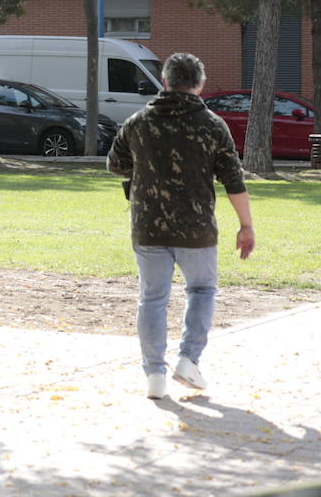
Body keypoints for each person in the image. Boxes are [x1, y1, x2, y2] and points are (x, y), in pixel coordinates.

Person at [107, 52, 255, 400]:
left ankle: (154, 375)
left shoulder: (137, 122)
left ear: (164, 80)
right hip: (197, 228)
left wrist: (145, 169)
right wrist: (246, 225)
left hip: (148, 225)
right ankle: (188, 359)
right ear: (200, 84)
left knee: (152, 298)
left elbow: (115, 165)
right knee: (202, 290)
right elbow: (233, 180)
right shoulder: (213, 125)